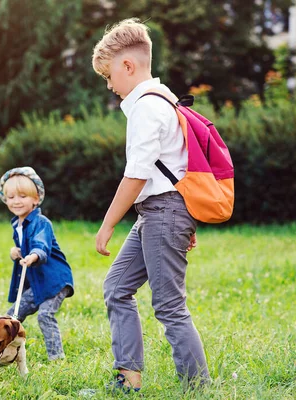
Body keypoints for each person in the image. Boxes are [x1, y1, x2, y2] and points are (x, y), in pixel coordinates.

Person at [91, 19, 209, 392]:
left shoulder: (147, 107)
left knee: (170, 306)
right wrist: (182, 220)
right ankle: (128, 377)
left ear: (128, 66)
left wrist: (108, 224)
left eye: (109, 76)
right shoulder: (163, 100)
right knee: (116, 287)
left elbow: (138, 174)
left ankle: (197, 386)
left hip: (163, 212)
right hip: (159, 213)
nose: (110, 86)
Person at [0, 166, 74, 361]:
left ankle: (57, 358)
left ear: (36, 199)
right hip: (38, 283)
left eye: (22, 196)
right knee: (11, 316)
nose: (16, 201)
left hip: (54, 280)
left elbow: (41, 245)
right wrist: (16, 251)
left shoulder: (42, 222)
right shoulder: (18, 224)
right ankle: (7, 352)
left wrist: (34, 255)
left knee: (45, 315)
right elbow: (23, 246)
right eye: (11, 197)